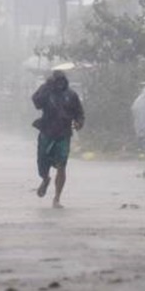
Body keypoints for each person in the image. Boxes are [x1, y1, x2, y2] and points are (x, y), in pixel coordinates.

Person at [31, 70, 84, 208]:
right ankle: (45, 178)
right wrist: (45, 87)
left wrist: (79, 122)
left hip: (63, 134)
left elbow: (79, 112)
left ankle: (57, 198)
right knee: (42, 163)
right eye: (57, 81)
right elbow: (36, 102)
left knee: (62, 166)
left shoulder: (71, 95)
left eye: (62, 81)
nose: (60, 83)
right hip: (47, 133)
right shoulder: (46, 92)